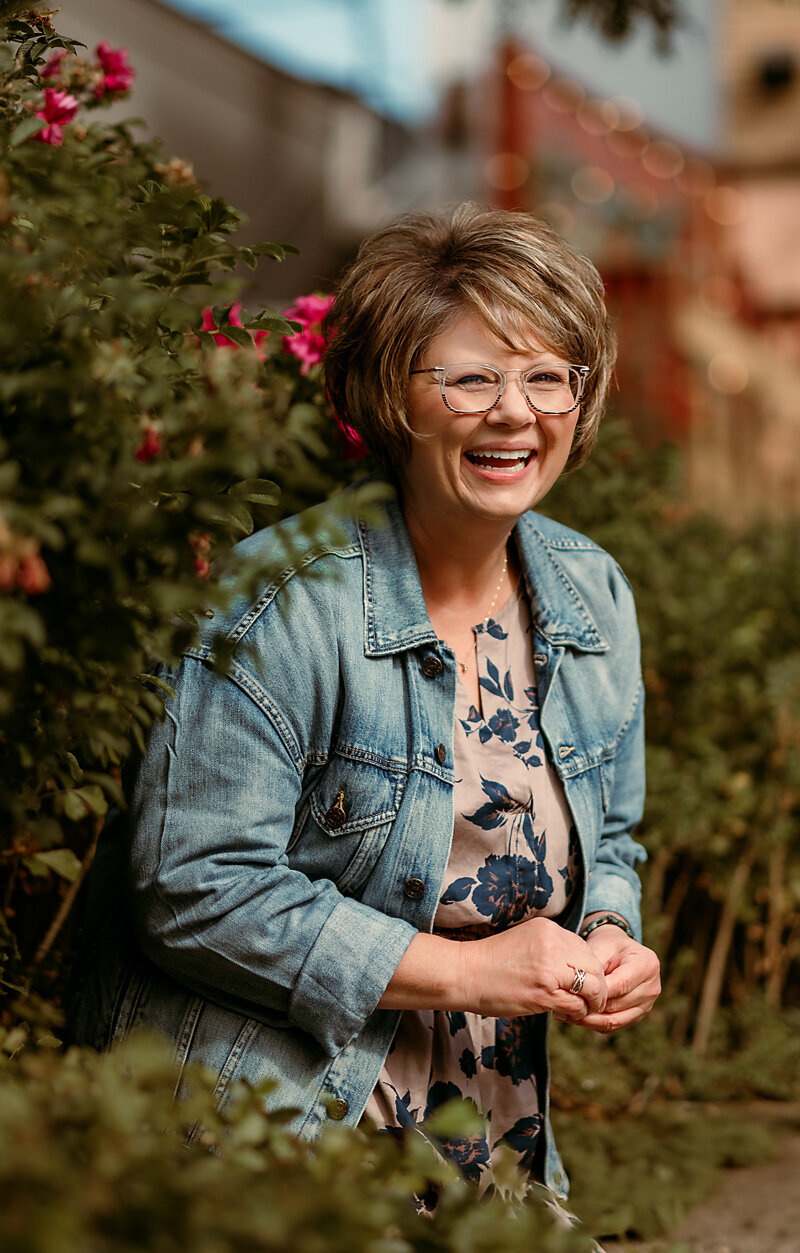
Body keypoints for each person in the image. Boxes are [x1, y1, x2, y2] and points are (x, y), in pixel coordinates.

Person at [69, 203, 660, 1217]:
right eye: (469, 377)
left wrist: (609, 931)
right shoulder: (281, 599)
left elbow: (613, 843)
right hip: (279, 1146)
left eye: (546, 376)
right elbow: (193, 887)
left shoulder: (587, 592)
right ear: (394, 399)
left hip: (489, 1147)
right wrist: (470, 971)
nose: (514, 412)